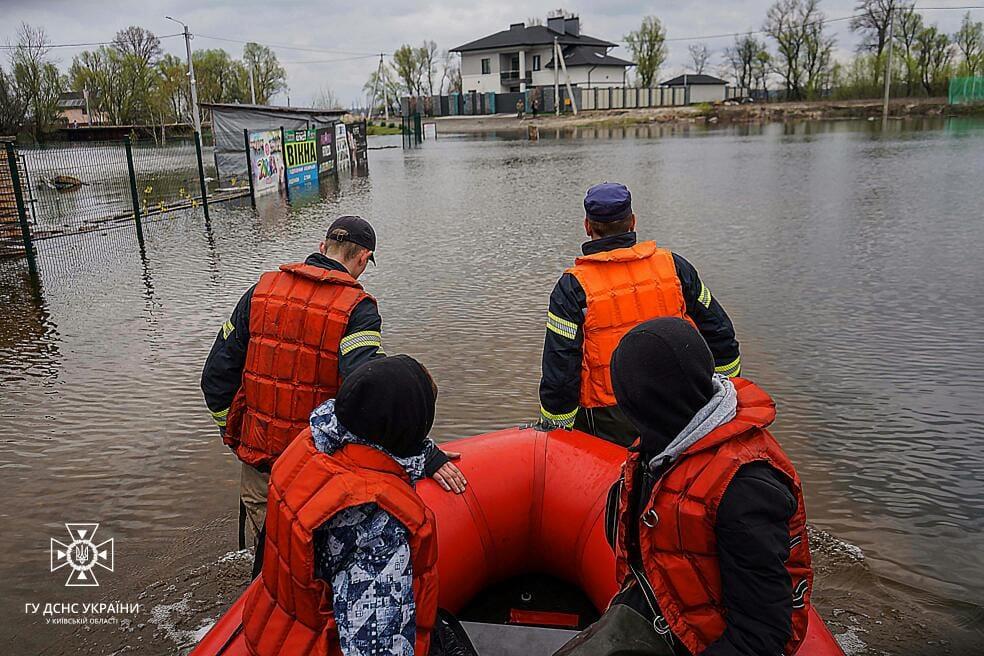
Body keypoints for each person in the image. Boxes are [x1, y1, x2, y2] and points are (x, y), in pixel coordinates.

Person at [201, 216, 465, 549]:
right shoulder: (357, 310)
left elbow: (214, 377)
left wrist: (238, 436)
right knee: (318, 575)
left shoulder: (261, 292)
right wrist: (422, 454)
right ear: (363, 258)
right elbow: (372, 398)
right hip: (318, 475)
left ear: (322, 248)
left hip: (260, 470)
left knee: (270, 570)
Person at [554, 318, 812, 656]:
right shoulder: (660, 447)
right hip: (668, 608)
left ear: (642, 404)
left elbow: (761, 632)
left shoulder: (743, 487)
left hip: (710, 640)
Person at [243, 355, 474, 656]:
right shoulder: (376, 528)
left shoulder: (308, 448)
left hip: (275, 627)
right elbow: (376, 644)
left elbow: (365, 450)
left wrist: (424, 456)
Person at [537, 182, 741, 445]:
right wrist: (726, 390)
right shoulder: (674, 267)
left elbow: (561, 369)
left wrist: (557, 431)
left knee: (620, 481)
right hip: (680, 403)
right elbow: (720, 332)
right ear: (632, 222)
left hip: (610, 416)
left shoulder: (572, 288)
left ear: (587, 226)